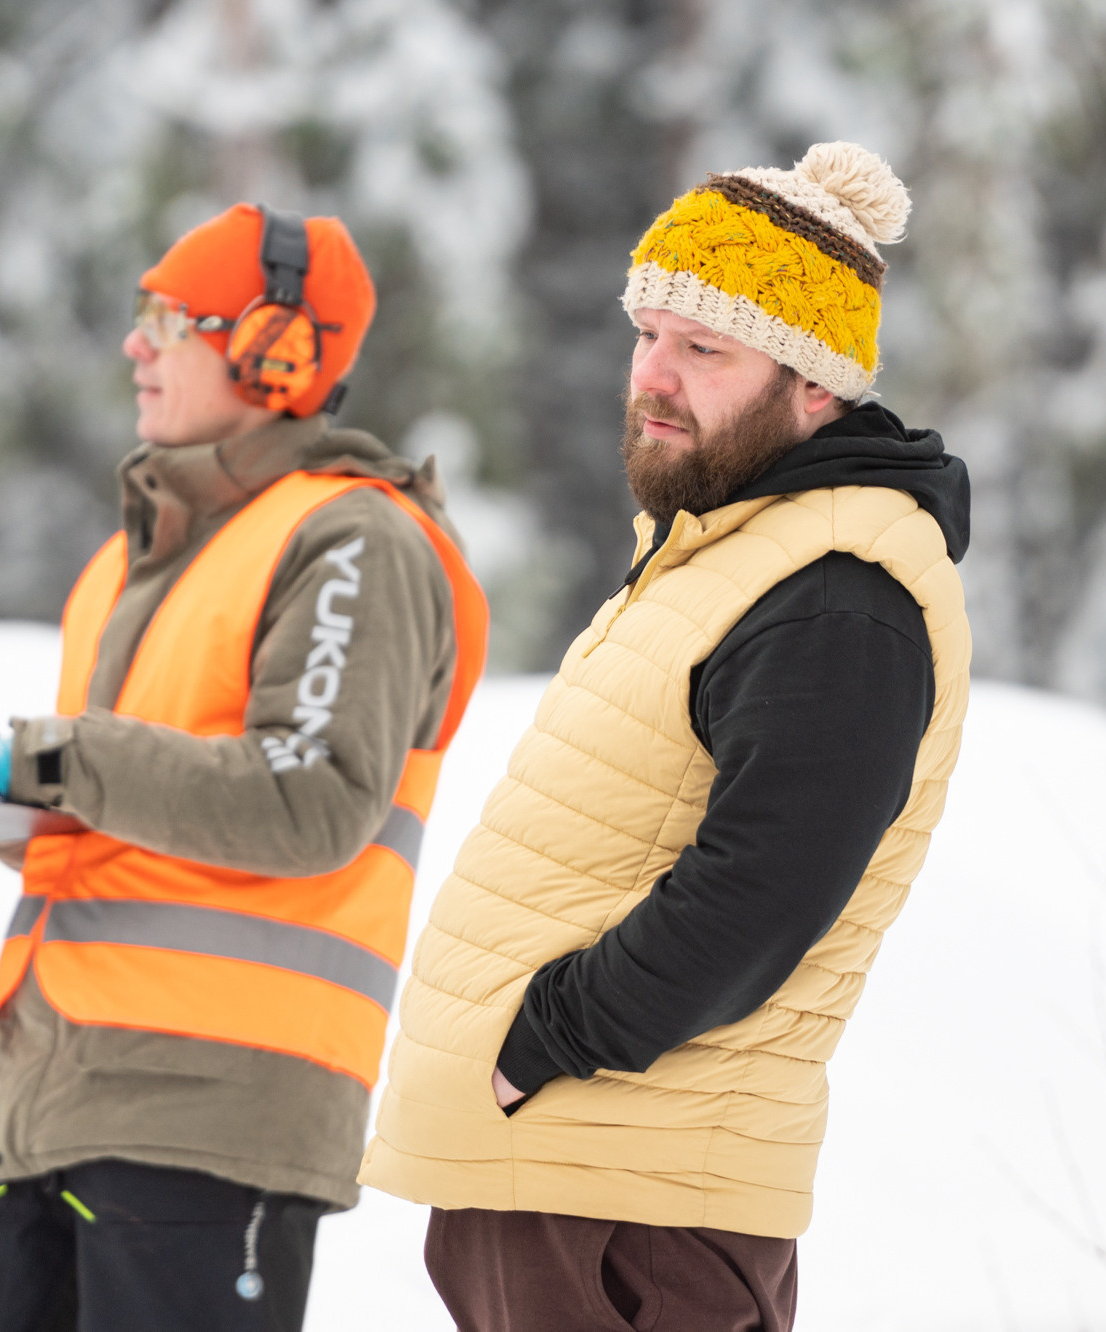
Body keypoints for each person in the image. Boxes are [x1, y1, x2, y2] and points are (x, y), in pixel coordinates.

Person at [359, 142, 972, 1330]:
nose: (653, 374)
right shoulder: (728, 555)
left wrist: (544, 1039)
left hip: (629, 1199)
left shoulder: (836, 593)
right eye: (646, 332)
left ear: (812, 384)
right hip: (577, 1176)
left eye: (703, 348)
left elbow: (762, 893)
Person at [0, 202, 488, 1332]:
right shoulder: (141, 562)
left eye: (170, 318)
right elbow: (137, 809)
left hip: (208, 1128)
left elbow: (311, 800)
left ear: (278, 352)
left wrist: (51, 757)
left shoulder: (355, 542)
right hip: (49, 1095)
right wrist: (7, 806)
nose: (136, 343)